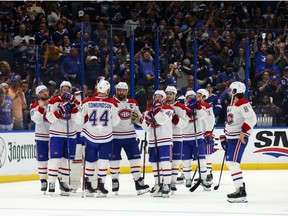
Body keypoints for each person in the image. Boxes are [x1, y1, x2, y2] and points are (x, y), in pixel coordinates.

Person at [75, 80, 120, 197]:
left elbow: (79, 120)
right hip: (106, 136)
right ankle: (101, 185)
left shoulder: (87, 101)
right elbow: (115, 122)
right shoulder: (113, 103)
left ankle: (88, 185)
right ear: (108, 90)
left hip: (90, 135)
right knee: (103, 161)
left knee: (90, 160)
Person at [110, 82, 149, 195]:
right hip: (114, 136)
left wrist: (144, 122)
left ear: (127, 91)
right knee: (114, 160)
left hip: (130, 136)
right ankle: (115, 181)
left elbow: (136, 118)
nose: (121, 92)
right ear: (116, 90)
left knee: (135, 159)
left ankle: (138, 183)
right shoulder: (111, 103)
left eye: (123, 90)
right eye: (119, 90)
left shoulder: (132, 103)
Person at [46, 81, 80, 196]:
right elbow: (50, 118)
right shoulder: (54, 101)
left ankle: (64, 183)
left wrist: (73, 105)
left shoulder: (73, 102)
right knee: (55, 160)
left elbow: (77, 119)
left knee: (67, 161)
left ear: (70, 90)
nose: (65, 91)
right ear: (61, 90)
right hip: (56, 134)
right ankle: (51, 182)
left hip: (71, 135)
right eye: (63, 89)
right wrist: (60, 111)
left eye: (67, 89)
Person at [225, 81, 257, 203]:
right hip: (232, 138)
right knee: (231, 163)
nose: (229, 92)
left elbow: (252, 118)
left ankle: (241, 192)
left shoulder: (242, 103)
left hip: (238, 138)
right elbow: (231, 121)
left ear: (235, 91)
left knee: (233, 163)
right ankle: (239, 189)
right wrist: (225, 135)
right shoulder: (233, 104)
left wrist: (243, 132)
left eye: (230, 90)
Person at [141, 90, 173, 198]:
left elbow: (162, 120)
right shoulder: (148, 111)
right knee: (155, 164)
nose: (157, 98)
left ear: (164, 99)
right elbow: (145, 128)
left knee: (165, 163)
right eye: (156, 96)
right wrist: (147, 119)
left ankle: (166, 185)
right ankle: (157, 184)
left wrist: (156, 111)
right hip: (153, 141)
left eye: (160, 97)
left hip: (165, 139)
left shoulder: (169, 109)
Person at [181, 90, 211, 191]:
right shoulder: (182, 107)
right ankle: (188, 179)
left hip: (198, 138)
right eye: (188, 97)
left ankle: (203, 179)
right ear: (185, 98)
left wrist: (197, 107)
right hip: (185, 138)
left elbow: (203, 116)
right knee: (186, 161)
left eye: (192, 97)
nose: (190, 98)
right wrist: (189, 110)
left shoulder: (199, 107)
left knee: (202, 160)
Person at [164, 85, 189, 194]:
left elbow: (184, 124)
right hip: (164, 137)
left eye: (171, 94)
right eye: (167, 93)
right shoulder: (161, 106)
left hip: (177, 137)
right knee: (164, 162)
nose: (169, 96)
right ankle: (164, 182)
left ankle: (172, 182)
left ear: (175, 95)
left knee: (175, 161)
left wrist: (175, 118)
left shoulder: (180, 107)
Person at [30, 85, 50, 194]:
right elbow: (37, 120)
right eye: (42, 92)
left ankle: (59, 179)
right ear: (38, 94)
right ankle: (43, 180)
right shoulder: (34, 106)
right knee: (42, 160)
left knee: (56, 159)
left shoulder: (52, 103)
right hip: (41, 136)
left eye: (46, 91)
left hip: (54, 135)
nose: (45, 93)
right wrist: (41, 108)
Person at [196, 89, 215, 184]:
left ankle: (208, 173)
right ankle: (203, 173)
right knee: (201, 155)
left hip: (206, 134)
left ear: (204, 97)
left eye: (199, 95)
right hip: (199, 134)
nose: (197, 97)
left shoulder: (207, 106)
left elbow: (211, 120)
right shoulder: (196, 105)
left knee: (207, 154)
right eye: (197, 95)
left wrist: (208, 131)